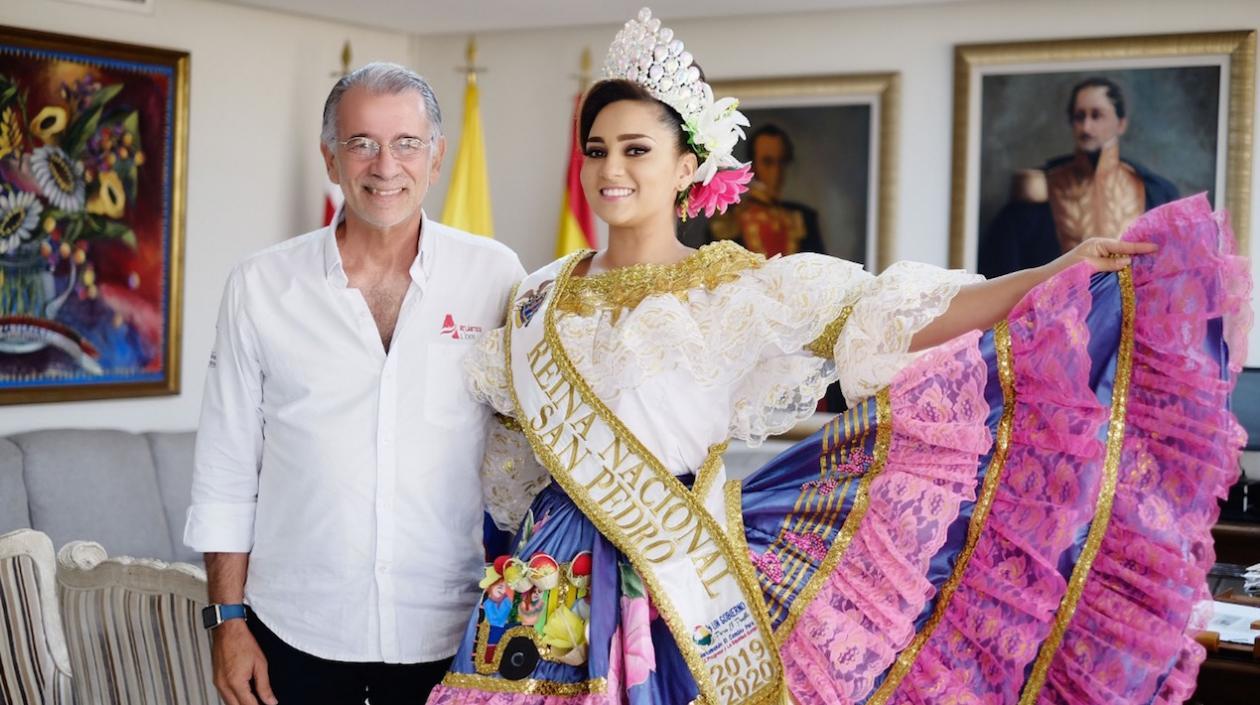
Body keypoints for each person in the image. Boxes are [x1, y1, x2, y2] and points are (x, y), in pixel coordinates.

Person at [428, 9, 1250, 705]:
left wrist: (1054, 273)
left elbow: (902, 311)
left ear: (688, 163)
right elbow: (506, 467)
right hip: (539, 593)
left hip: (676, 589)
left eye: (636, 148)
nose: (611, 168)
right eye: (598, 147)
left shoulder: (740, 290)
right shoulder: (538, 294)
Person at [184, 62, 525, 705]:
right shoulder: (260, 286)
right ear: (330, 158)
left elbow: (533, 438)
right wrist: (226, 624)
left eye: (405, 143)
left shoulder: (496, 275)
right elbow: (226, 467)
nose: (384, 165)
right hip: (293, 632)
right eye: (361, 142)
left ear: (438, 156)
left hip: (451, 630)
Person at [979, 77, 1180, 278]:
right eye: (1079, 117)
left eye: (1097, 116)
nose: (1086, 127)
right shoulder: (1038, 187)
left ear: (1120, 124)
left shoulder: (1155, 191)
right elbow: (1005, 268)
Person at [706, 123, 824, 257]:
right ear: (753, 165)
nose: (776, 172)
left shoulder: (803, 218)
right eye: (768, 162)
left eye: (781, 162)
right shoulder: (729, 219)